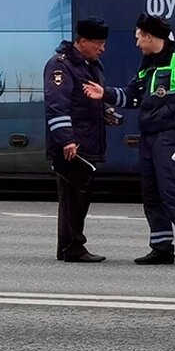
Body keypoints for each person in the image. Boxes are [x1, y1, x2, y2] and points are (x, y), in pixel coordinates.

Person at [86, 13, 175, 267]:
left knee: (170, 191)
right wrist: (105, 94)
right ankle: (161, 247)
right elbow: (132, 96)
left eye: (138, 38)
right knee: (152, 194)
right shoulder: (147, 64)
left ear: (150, 36)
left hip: (170, 136)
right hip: (149, 137)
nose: (136, 43)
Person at [45, 18, 112, 263]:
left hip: (87, 140)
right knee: (73, 199)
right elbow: (57, 106)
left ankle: (68, 246)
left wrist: (105, 113)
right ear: (82, 41)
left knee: (79, 198)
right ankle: (72, 247)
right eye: (98, 43)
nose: (102, 48)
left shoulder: (90, 65)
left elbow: (86, 101)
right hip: (73, 145)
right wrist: (66, 140)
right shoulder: (60, 66)